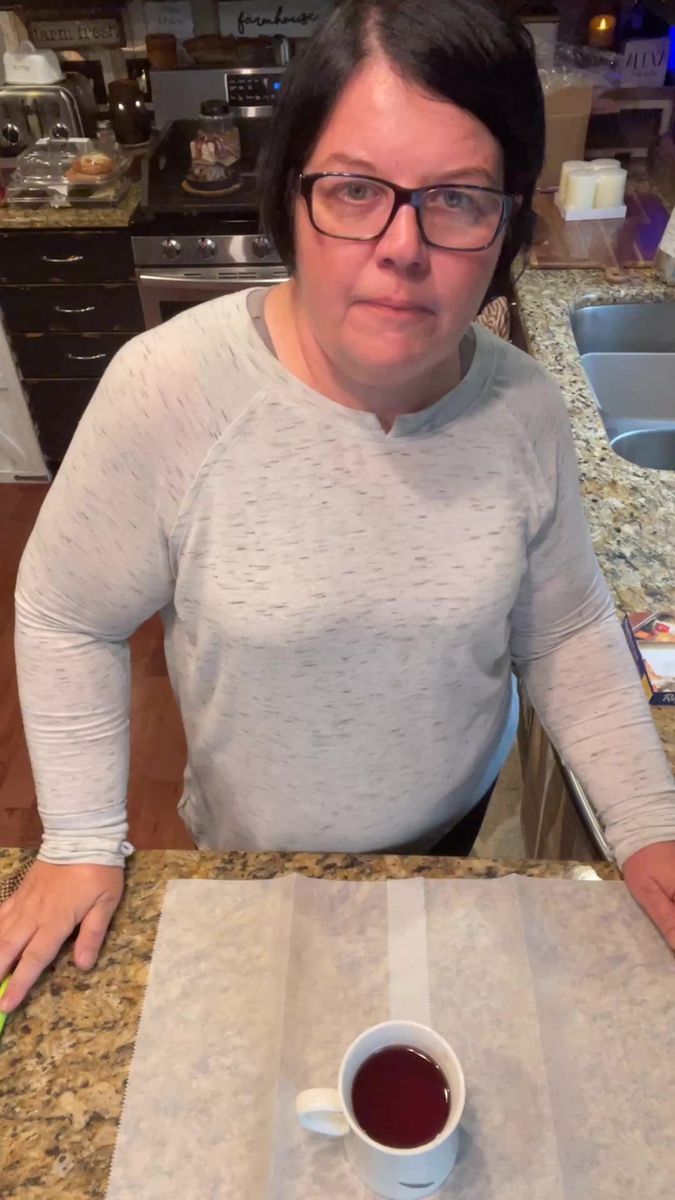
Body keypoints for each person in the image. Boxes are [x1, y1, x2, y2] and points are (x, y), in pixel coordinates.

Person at [2, 0, 674, 1017]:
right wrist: (84, 839)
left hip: (459, 845)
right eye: (355, 189)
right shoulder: (171, 392)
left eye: (456, 198)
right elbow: (66, 613)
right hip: (254, 863)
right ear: (290, 197)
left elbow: (570, 624)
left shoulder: (525, 411)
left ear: (506, 222)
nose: (401, 246)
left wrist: (648, 823)